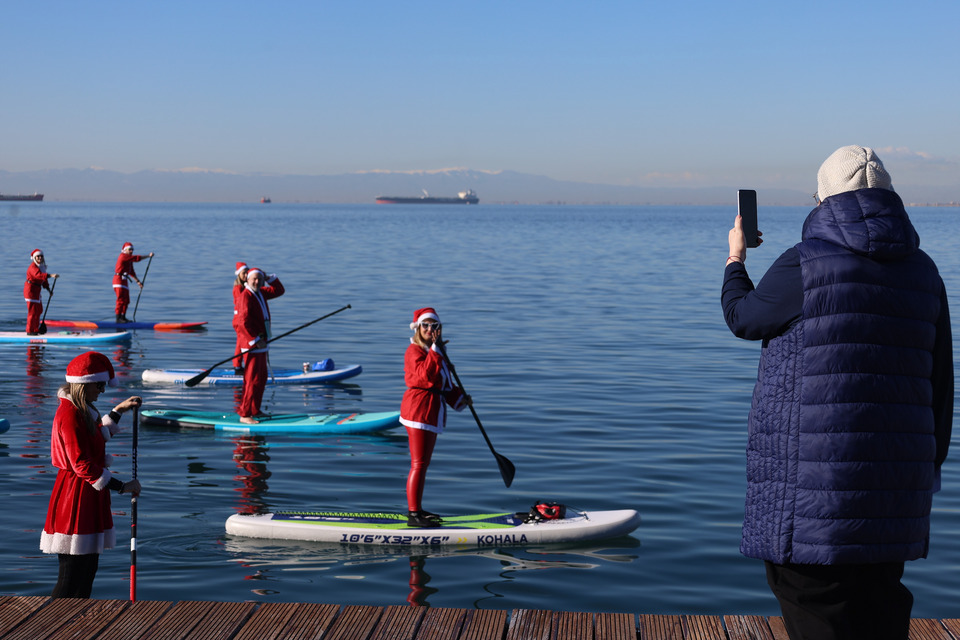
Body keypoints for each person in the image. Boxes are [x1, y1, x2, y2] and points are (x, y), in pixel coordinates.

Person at [721, 146, 953, 640]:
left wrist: (735, 258)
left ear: (823, 200)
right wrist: (926, 473)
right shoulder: (925, 272)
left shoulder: (804, 264)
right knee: (879, 619)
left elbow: (742, 317)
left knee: (815, 611)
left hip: (812, 503)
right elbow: (941, 386)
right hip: (895, 497)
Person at [39, 351, 143, 598]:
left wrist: (118, 410)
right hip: (74, 496)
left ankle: (76, 622)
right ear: (85, 384)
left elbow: (97, 437)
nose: (102, 391)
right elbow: (81, 464)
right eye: (100, 385)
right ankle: (51, 623)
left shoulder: (82, 410)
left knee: (88, 568)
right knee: (72, 572)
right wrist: (121, 486)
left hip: (88, 493)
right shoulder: (70, 414)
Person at [399, 308, 471, 528]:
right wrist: (437, 352)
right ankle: (413, 514)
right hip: (418, 410)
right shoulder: (414, 352)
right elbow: (425, 376)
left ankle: (419, 509)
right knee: (418, 463)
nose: (431, 330)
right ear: (418, 328)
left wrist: (460, 398)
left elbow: (444, 385)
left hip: (432, 411)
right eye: (426, 326)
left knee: (424, 463)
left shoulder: (435, 352)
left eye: (435, 326)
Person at [234, 267, 285, 424]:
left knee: (260, 379)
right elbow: (240, 323)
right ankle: (244, 414)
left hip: (262, 343)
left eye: (259, 279)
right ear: (246, 279)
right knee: (251, 380)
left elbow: (279, 290)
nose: (257, 281)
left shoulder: (260, 293)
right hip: (252, 345)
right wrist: (254, 340)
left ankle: (255, 410)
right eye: (254, 279)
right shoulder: (245, 296)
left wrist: (269, 277)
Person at [112, 242, 154, 323]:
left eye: (132, 249)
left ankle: (123, 317)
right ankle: (118, 318)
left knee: (127, 300)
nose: (131, 251)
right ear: (125, 250)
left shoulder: (129, 259)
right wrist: (148, 256)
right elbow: (137, 258)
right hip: (118, 280)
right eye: (130, 249)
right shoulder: (123, 256)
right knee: (121, 299)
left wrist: (138, 282)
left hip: (124, 281)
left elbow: (131, 272)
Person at [24, 249, 59, 334]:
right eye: (38, 256)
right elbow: (38, 276)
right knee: (32, 311)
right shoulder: (33, 267)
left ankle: (35, 329)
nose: (40, 258)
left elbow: (44, 281)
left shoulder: (42, 267)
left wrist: (49, 290)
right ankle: (30, 331)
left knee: (39, 310)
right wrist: (51, 275)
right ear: (34, 258)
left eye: (41, 256)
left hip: (37, 291)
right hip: (30, 291)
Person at [232, 262, 249, 375]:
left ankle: (240, 365)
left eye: (247, 273)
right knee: (240, 343)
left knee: (243, 342)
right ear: (239, 274)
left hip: (242, 319)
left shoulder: (243, 287)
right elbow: (241, 302)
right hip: (239, 320)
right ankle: (237, 366)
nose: (246, 275)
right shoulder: (238, 288)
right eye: (244, 273)